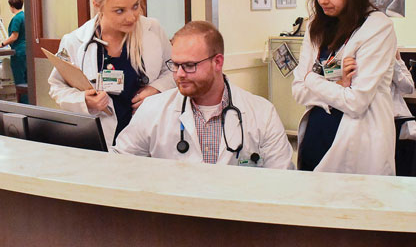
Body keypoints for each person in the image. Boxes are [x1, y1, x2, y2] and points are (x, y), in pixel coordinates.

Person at [114, 21, 293, 168]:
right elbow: (119, 164)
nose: (179, 74)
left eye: (189, 65)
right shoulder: (152, 110)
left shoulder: (262, 114)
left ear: (218, 62)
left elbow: (282, 180)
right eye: (175, 65)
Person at [291, 0, 397, 175]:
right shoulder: (316, 26)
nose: (322, 0)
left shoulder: (377, 27)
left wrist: (312, 79)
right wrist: (338, 86)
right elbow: (298, 90)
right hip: (316, 135)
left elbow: (356, 102)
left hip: (358, 142)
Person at [48, 0, 174, 146]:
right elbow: (57, 87)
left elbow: (174, 70)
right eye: (119, 11)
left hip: (147, 134)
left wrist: (157, 89)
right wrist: (84, 101)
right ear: (97, 4)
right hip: (100, 139)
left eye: (135, 6)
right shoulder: (74, 41)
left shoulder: (153, 30)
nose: (131, 17)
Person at [0, 0, 27, 100]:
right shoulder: (25, 16)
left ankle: (23, 104)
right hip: (26, 51)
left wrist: (1, 44)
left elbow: (14, 36)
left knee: (20, 81)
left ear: (11, 6)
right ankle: (29, 103)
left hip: (19, 52)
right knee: (27, 80)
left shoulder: (16, 18)